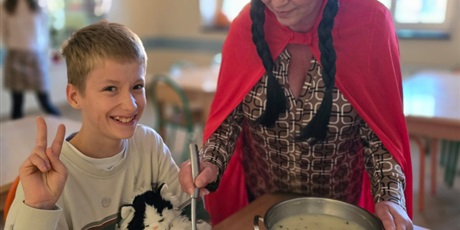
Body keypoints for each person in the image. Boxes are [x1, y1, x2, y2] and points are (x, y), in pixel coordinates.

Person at [179, 0, 414, 229]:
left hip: (339, 213)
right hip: (262, 208)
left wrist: (390, 196)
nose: (277, 3)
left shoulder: (370, 23)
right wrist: (210, 161)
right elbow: (228, 122)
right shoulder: (246, 25)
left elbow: (380, 137)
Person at [5, 21, 209, 229]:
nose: (130, 105)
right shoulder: (49, 176)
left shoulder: (150, 145)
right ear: (75, 96)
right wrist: (40, 208)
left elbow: (192, 218)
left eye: (137, 86)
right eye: (111, 88)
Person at [1, 0, 61, 119]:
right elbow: (3, 32)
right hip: (15, 56)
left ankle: (65, 130)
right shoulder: (5, 7)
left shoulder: (38, 5)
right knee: (17, 104)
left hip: (35, 56)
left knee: (45, 101)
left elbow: (44, 31)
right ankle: (16, 136)